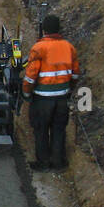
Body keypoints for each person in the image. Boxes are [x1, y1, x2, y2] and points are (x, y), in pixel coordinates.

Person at [22, 14, 80, 171]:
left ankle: (43, 163)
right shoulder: (69, 47)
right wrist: (69, 89)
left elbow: (30, 76)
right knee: (58, 129)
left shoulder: (39, 48)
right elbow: (75, 74)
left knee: (41, 130)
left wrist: (26, 93)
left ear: (44, 30)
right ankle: (58, 162)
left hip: (42, 100)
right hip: (62, 98)